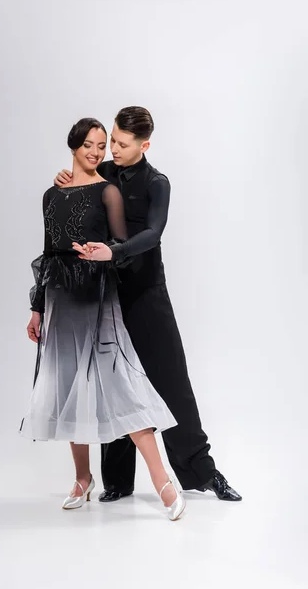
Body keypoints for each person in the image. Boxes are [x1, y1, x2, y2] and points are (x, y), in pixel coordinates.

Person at [55, 107, 242, 502]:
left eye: (122, 145)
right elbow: (75, 197)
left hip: (146, 293)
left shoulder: (158, 183)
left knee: (172, 382)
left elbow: (154, 233)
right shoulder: (103, 171)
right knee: (114, 384)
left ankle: (203, 474)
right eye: (113, 142)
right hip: (105, 294)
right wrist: (65, 179)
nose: (114, 150)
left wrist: (115, 250)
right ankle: (117, 482)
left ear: (145, 145)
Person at [20, 117, 186, 521]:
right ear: (73, 146)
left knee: (122, 385)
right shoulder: (51, 194)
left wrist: (105, 254)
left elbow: (118, 246)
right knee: (67, 384)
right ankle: (82, 478)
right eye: (91, 145)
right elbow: (46, 251)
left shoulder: (108, 191)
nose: (97, 152)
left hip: (97, 295)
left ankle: (163, 481)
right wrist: (37, 306)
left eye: (102, 145)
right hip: (60, 299)